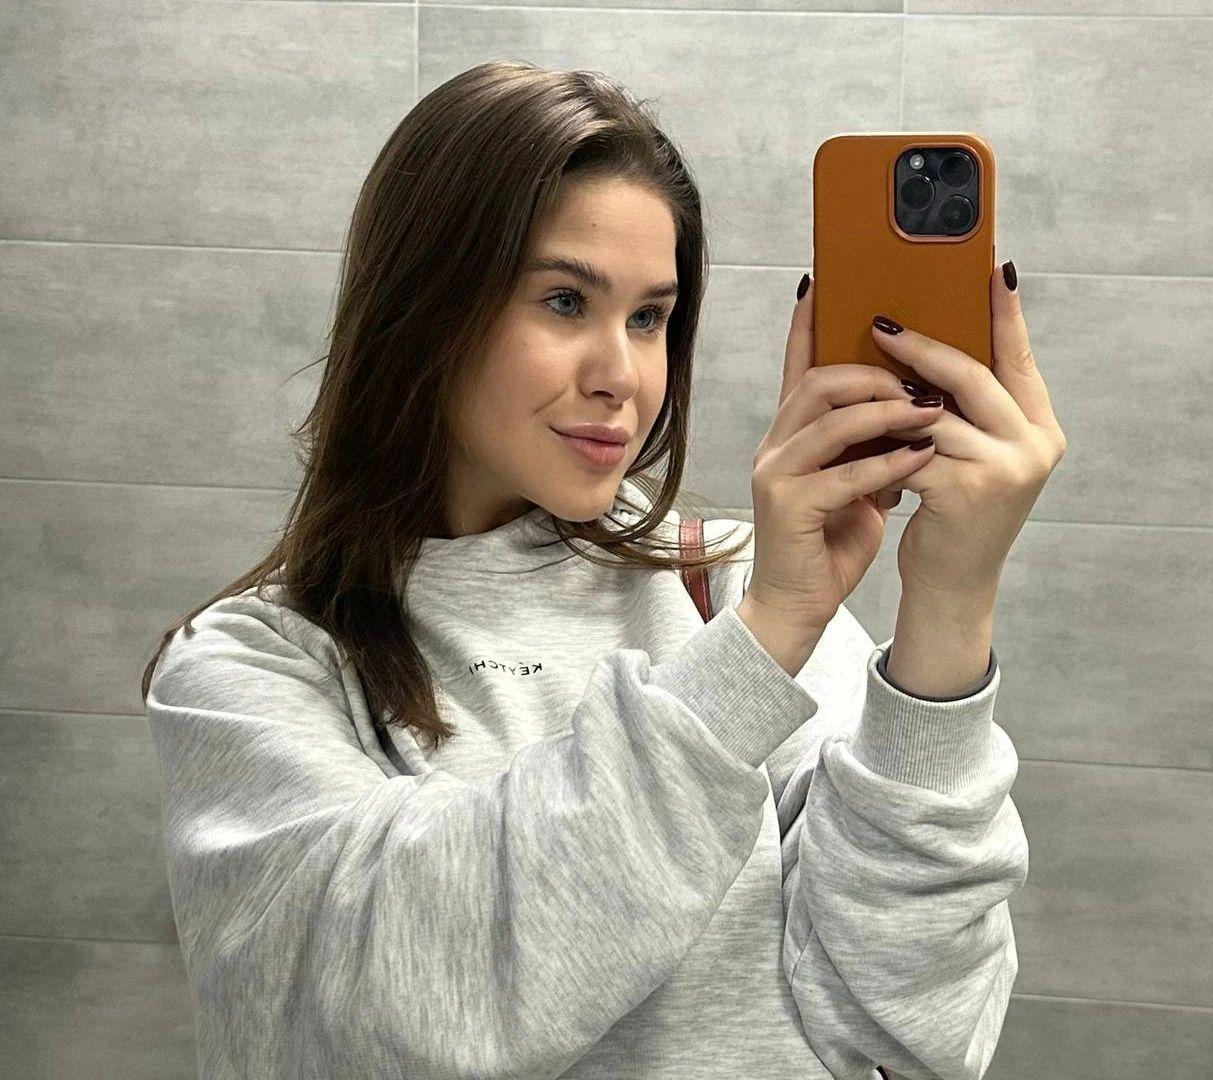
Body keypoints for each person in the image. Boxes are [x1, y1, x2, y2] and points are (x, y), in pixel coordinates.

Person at [140, 60, 1033, 1080]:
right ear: (423, 308)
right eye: (566, 301)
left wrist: (950, 601)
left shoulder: (728, 589)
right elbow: (399, 1012)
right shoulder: (252, 670)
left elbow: (920, 1030)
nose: (623, 375)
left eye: (650, 318)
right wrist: (759, 648)